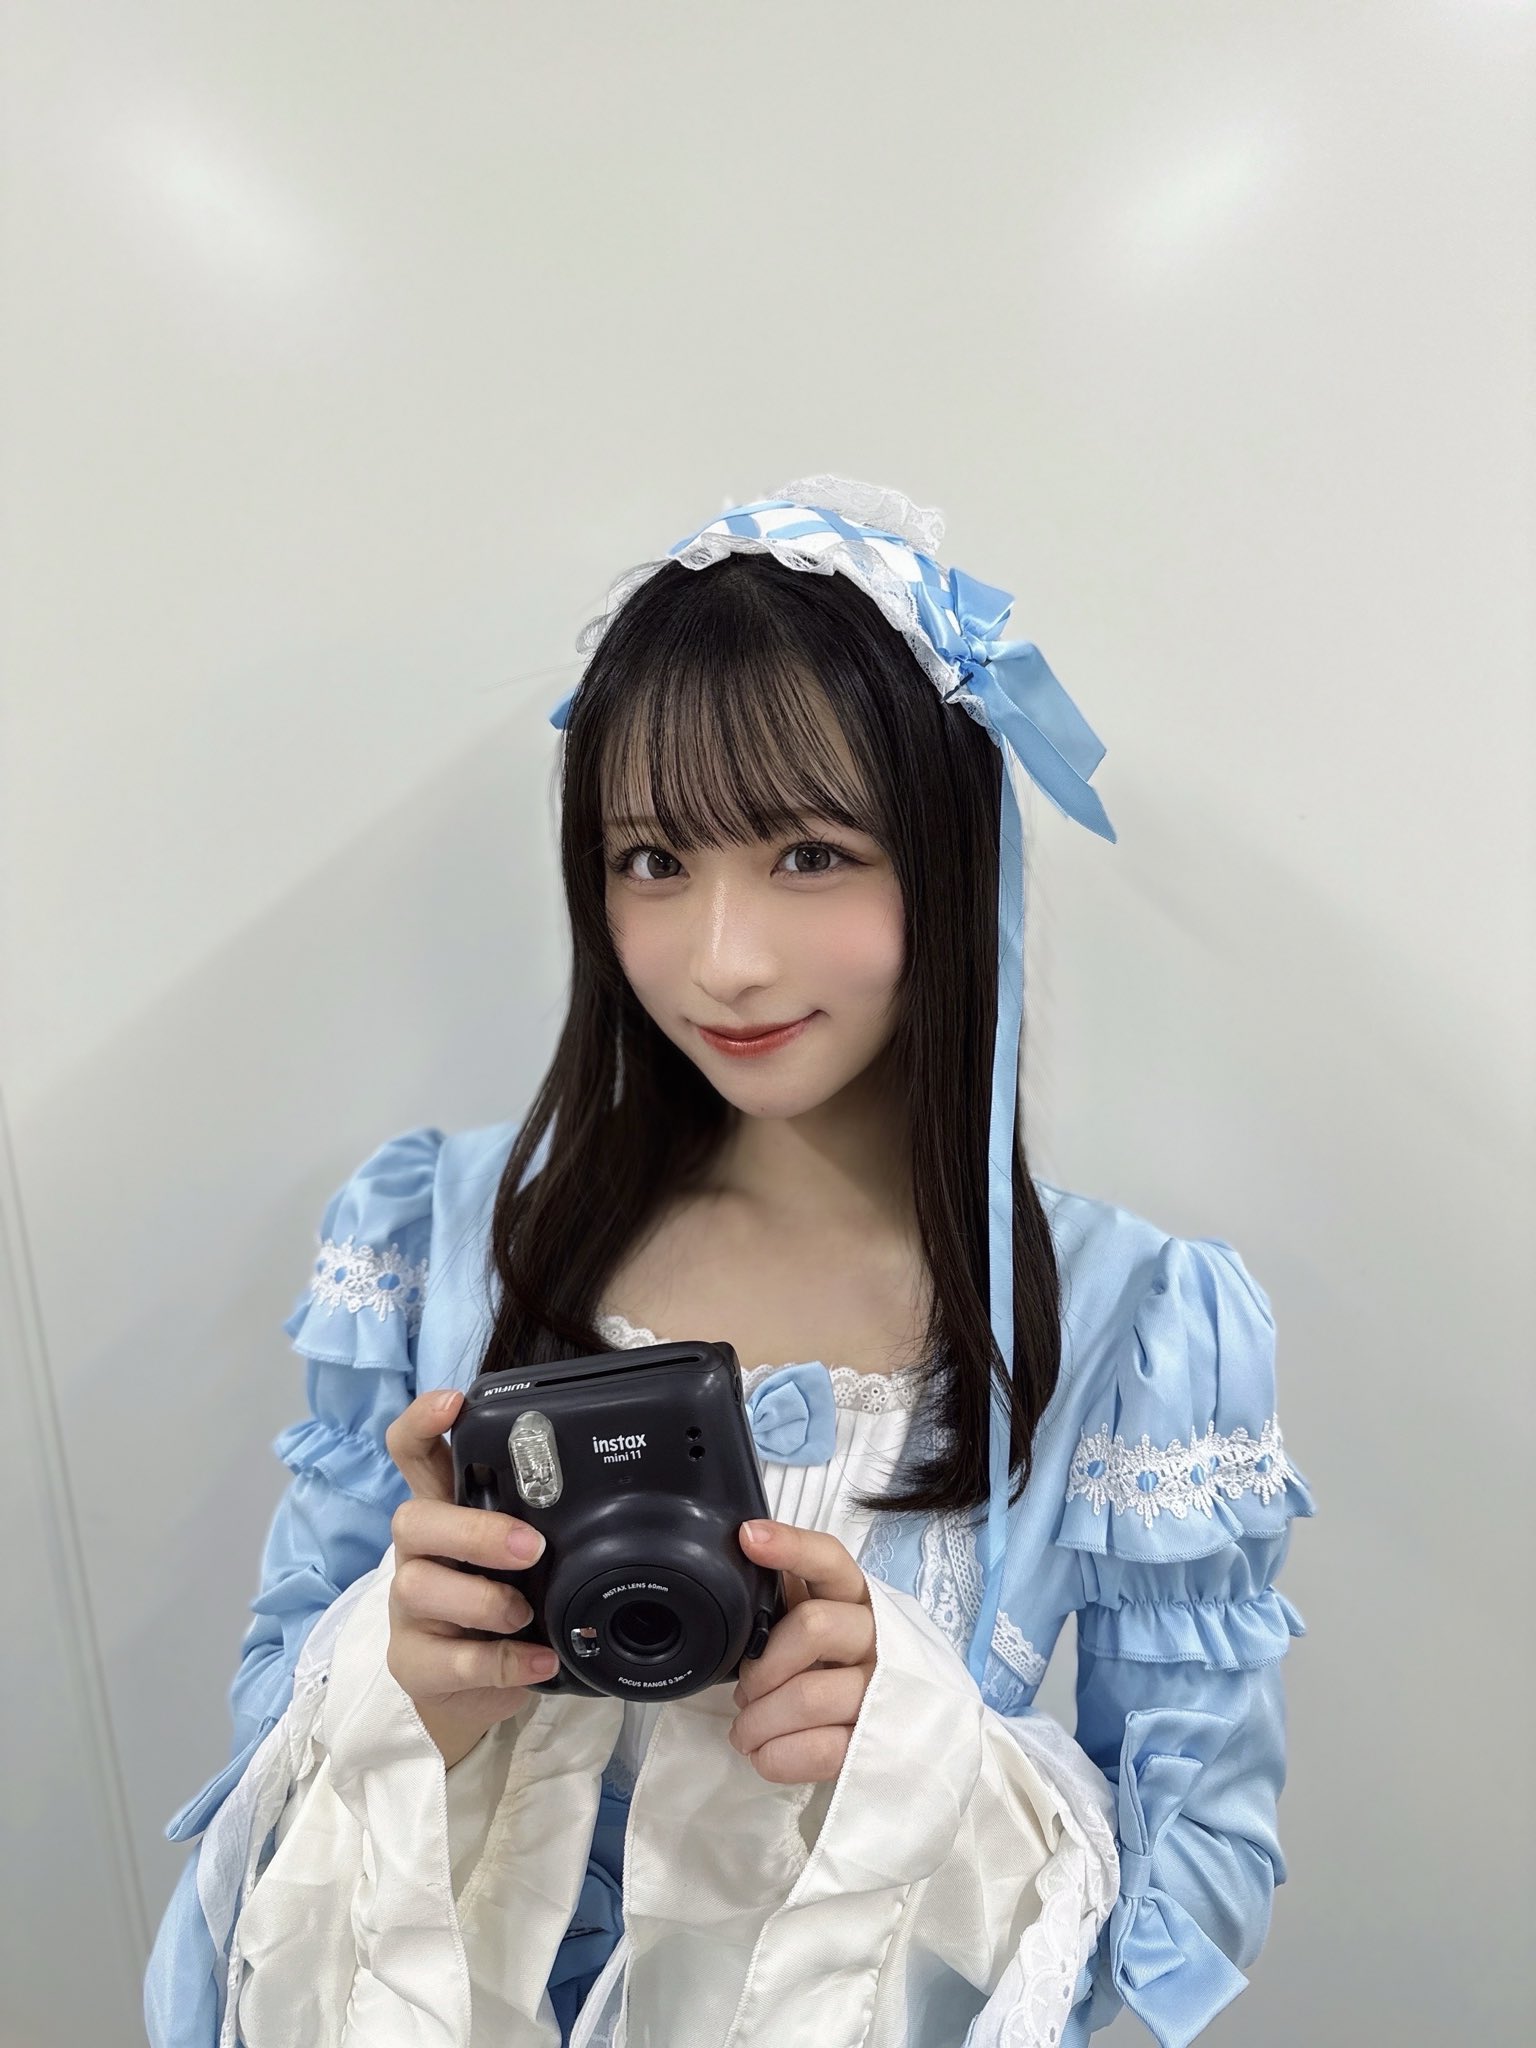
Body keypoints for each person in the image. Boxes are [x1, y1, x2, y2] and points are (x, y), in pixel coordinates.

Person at [144, 475, 1314, 2048]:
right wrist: (396, 1688)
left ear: (951, 859)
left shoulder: (1132, 1324)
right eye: (651, 860)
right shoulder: (437, 1237)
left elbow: (1192, 1906)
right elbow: (259, 1796)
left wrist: (925, 1758)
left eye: (811, 854)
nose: (723, 959)